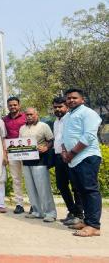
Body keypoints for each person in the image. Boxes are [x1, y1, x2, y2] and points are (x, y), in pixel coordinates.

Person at [62, 88, 102, 237]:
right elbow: (65, 136)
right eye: (68, 98)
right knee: (81, 191)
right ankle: (87, 221)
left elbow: (89, 136)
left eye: (74, 98)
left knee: (90, 191)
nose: (71, 100)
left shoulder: (89, 113)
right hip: (73, 159)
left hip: (87, 157)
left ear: (82, 100)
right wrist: (65, 152)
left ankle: (94, 226)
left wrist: (71, 153)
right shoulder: (68, 116)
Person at [20, 107, 56, 222]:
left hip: (40, 161)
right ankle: (37, 211)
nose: (29, 116)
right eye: (27, 115)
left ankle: (50, 213)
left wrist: (46, 147)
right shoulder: (22, 128)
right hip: (26, 161)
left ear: (37, 114)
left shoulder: (43, 126)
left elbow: (51, 140)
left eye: (31, 114)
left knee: (43, 188)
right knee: (30, 188)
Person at [52, 96, 83, 226]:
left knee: (76, 186)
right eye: (55, 107)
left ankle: (79, 214)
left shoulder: (70, 119)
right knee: (61, 185)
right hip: (59, 157)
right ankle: (72, 211)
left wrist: (69, 153)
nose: (58, 109)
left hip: (71, 156)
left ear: (66, 106)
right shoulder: (55, 122)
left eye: (60, 107)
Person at [3, 96, 26, 214]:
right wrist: (5, 153)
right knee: (16, 179)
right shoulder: (4, 120)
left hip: (27, 151)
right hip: (12, 152)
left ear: (19, 105)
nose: (12, 107)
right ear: (8, 106)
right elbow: (4, 137)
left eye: (15, 105)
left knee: (29, 178)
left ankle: (35, 204)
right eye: (10, 105)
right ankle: (19, 204)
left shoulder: (26, 117)